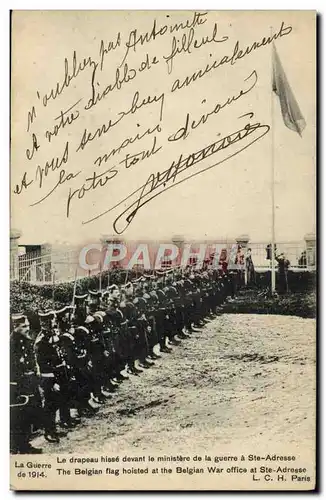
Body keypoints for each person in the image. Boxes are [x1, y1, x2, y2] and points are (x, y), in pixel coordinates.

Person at [10, 313, 42, 454]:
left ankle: (24, 443)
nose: (27, 329)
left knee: (28, 413)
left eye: (28, 326)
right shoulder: (12, 343)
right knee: (19, 415)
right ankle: (19, 446)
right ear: (15, 327)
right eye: (24, 327)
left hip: (29, 382)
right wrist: (14, 387)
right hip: (19, 384)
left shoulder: (25, 340)